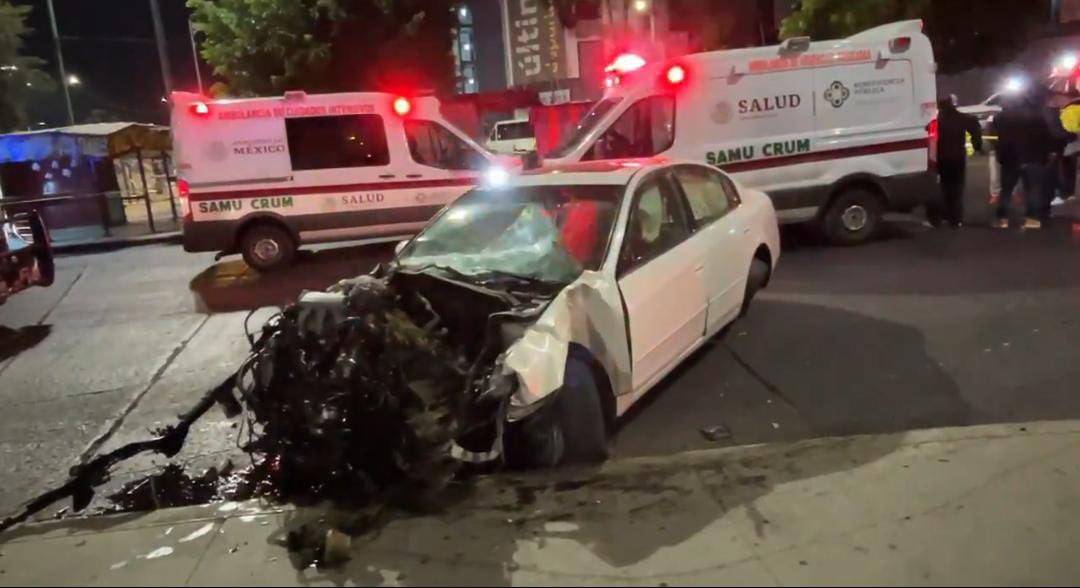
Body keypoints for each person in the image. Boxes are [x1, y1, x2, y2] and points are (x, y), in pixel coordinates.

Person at [992, 89, 1054, 229]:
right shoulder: (1037, 116)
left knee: (1006, 190)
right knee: (1033, 189)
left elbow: (995, 137)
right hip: (1033, 158)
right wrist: (1045, 156)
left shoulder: (1001, 116)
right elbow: (1045, 138)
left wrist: (999, 154)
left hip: (1010, 158)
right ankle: (1032, 219)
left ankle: (1002, 219)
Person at [931, 97, 982, 228]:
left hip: (940, 159)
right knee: (957, 188)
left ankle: (941, 216)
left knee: (942, 187)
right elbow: (975, 128)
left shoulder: (936, 121)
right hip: (957, 158)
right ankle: (955, 218)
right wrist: (977, 146)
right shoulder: (962, 118)